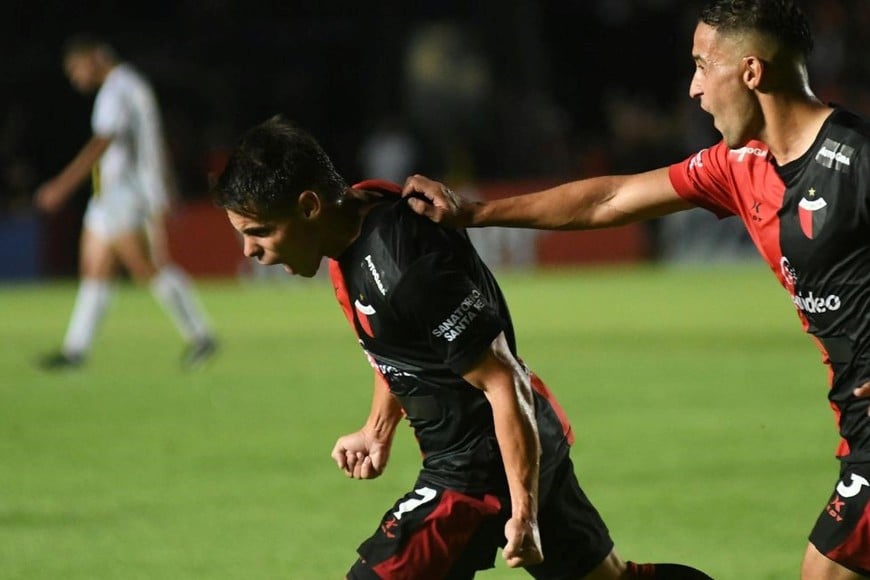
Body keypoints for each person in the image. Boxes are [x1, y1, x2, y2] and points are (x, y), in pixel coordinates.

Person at [401, 1, 870, 578]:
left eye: (702, 66)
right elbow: (609, 199)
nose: (694, 88)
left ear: (751, 72)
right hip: (855, 423)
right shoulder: (740, 164)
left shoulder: (856, 161)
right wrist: (474, 212)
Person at [212, 116, 712, 579]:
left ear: (308, 207)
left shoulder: (404, 266)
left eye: (259, 232)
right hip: (521, 439)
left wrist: (524, 511)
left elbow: (502, 380)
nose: (250, 252)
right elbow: (401, 347)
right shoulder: (355, 221)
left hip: (477, 470)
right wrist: (377, 428)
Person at [35, 35, 217, 370]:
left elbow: (104, 140)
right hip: (109, 196)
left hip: (124, 195)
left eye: (76, 68)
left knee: (146, 269)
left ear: (93, 58)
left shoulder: (118, 88)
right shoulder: (132, 85)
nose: (75, 78)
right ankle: (75, 350)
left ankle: (201, 334)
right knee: (94, 271)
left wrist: (62, 185)